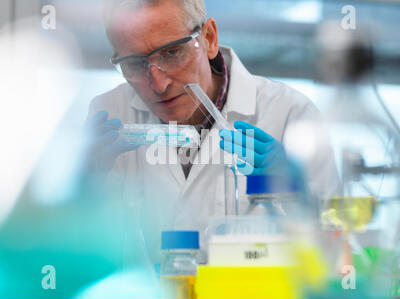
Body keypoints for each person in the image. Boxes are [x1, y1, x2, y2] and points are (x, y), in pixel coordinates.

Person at [87, 0, 340, 263]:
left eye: (172, 53)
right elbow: (84, 251)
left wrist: (299, 197)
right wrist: (81, 186)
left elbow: (335, 259)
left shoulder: (291, 114)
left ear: (209, 38)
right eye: (134, 63)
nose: (159, 84)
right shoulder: (109, 112)